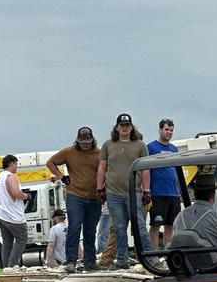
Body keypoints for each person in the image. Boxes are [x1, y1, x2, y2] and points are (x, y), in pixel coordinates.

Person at [97, 113, 150, 267]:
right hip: (113, 193)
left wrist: (147, 190)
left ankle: (148, 256)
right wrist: (100, 189)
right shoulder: (108, 145)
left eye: (127, 125)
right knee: (119, 228)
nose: (124, 128)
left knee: (139, 226)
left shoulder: (140, 145)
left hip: (134, 192)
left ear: (131, 127)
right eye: (122, 125)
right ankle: (122, 259)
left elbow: (145, 169)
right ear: (117, 128)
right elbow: (101, 167)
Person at [48, 127, 102, 273]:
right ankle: (71, 261)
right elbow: (50, 162)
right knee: (74, 227)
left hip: (94, 198)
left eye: (88, 142)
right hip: (75, 196)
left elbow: (106, 170)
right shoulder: (69, 152)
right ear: (77, 141)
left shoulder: (99, 153)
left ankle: (90, 262)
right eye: (82, 142)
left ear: (92, 140)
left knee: (90, 231)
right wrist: (61, 177)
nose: (85, 144)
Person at [145, 119, 180, 251]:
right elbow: (145, 169)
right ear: (160, 130)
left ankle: (168, 250)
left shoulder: (173, 148)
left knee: (170, 225)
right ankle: (154, 252)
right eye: (166, 129)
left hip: (174, 193)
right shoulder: (151, 147)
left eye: (171, 130)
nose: (169, 132)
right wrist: (146, 189)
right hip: (158, 193)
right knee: (155, 224)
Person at [0, 154, 30, 269]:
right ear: (12, 163)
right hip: (11, 215)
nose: (17, 167)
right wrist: (26, 196)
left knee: (7, 241)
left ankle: (6, 267)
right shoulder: (11, 176)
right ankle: (12, 265)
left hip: (0, 214)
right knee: (22, 239)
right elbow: (16, 193)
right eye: (16, 164)